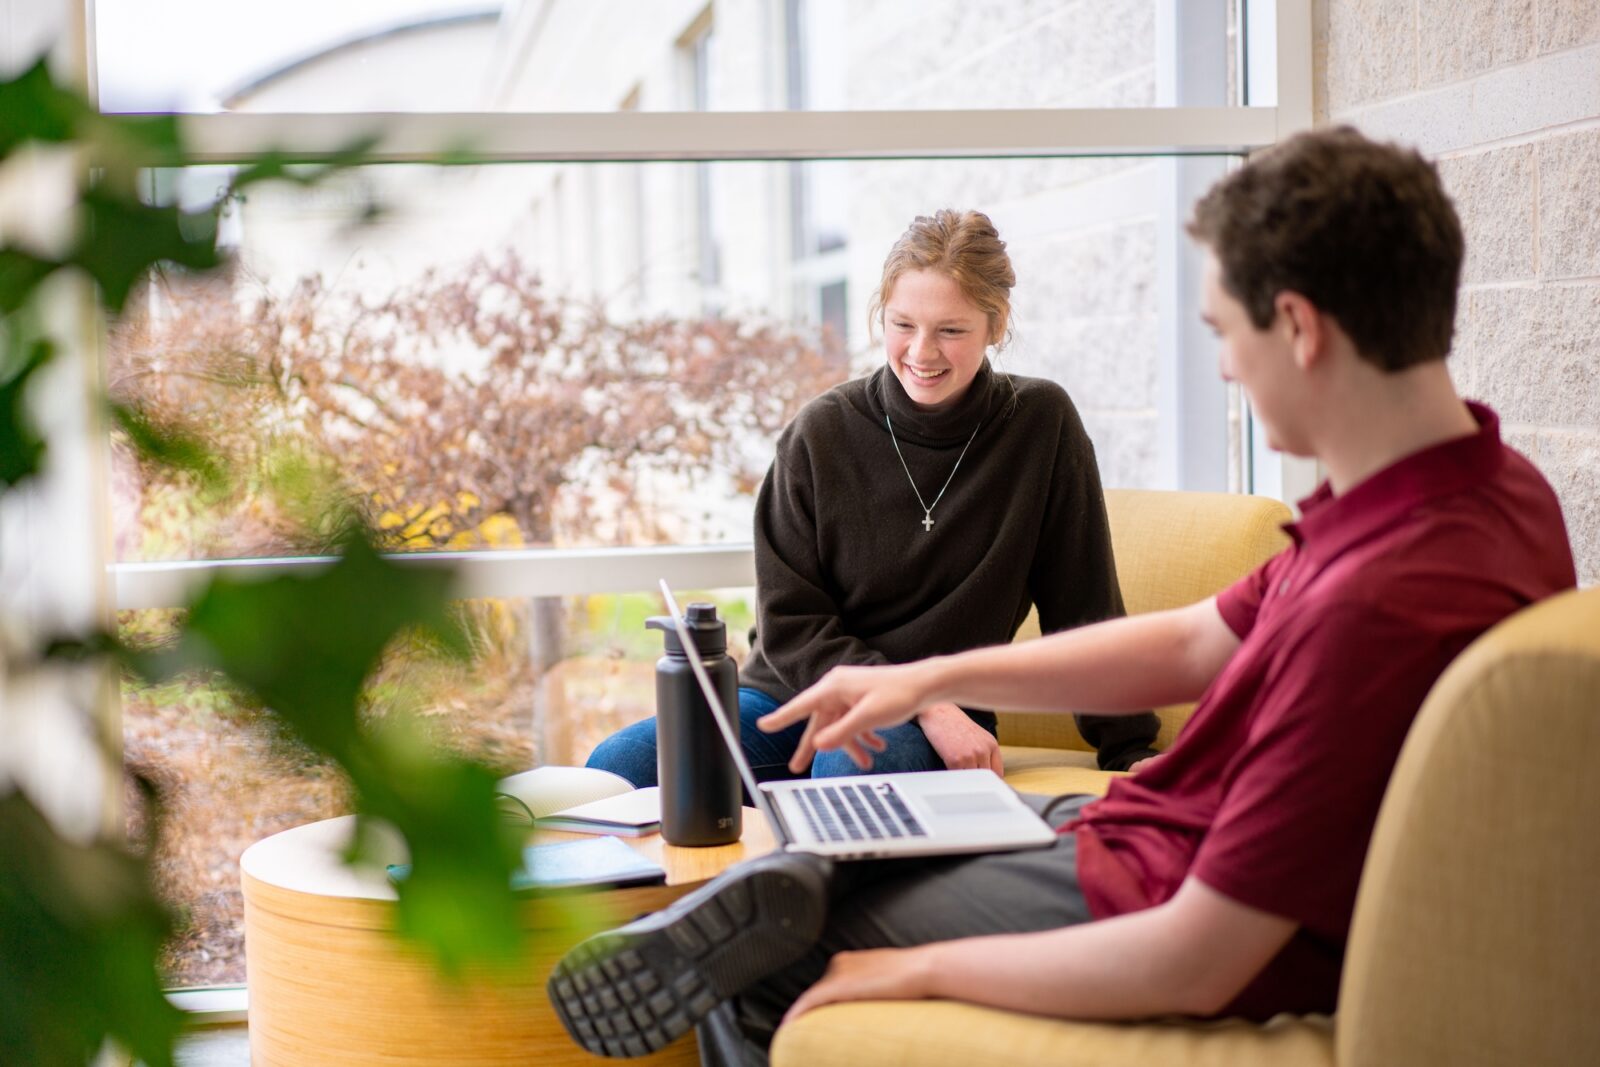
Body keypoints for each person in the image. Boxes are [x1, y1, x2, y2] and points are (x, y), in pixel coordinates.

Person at [548, 127, 1577, 1064]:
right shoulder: (1465, 494)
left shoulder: (1381, 598)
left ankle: (818, 895)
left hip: (1152, 880)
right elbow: (1186, 639)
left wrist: (910, 971)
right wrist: (930, 678)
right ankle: (825, 872)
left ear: (1298, 327)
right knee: (841, 847)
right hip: (1142, 831)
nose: (1223, 367)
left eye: (1224, 330)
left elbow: (1199, 954)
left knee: (768, 948)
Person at [585, 209, 1159, 788]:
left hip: (921, 724)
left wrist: (1131, 748)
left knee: (853, 771)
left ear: (997, 323)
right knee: (617, 769)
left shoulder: (1039, 426)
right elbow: (790, 624)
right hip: (796, 697)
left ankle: (801, 873)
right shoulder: (820, 434)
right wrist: (922, 702)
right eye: (902, 324)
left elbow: (1084, 607)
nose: (921, 352)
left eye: (951, 330)